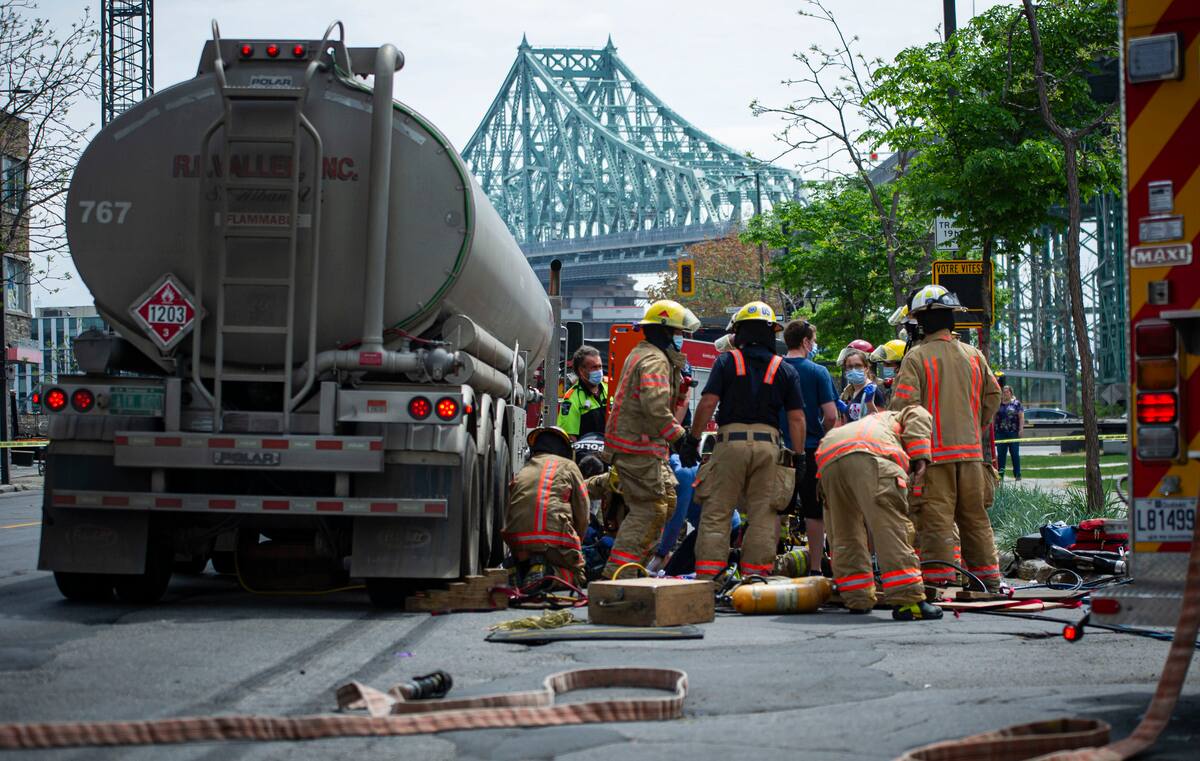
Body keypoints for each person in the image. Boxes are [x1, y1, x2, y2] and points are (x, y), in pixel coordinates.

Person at [889, 284, 1003, 591]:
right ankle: (988, 579)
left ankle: (939, 581)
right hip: (971, 457)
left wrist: (911, 451)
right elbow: (993, 396)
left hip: (933, 459)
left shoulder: (916, 358)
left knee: (936, 519)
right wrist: (972, 426)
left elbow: (903, 408)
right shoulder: (974, 356)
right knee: (975, 519)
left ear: (922, 322)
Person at [685, 301, 806, 580]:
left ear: (738, 331)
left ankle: (710, 579)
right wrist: (799, 457)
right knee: (763, 514)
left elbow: (707, 403)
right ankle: (755, 578)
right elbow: (797, 418)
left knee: (718, 511)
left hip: (730, 444)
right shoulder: (784, 368)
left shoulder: (727, 361)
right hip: (768, 447)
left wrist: (692, 440)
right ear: (770, 333)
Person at [601, 299, 700, 577]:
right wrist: (681, 438)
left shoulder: (645, 353)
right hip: (639, 448)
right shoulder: (656, 360)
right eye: (678, 333)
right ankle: (617, 574)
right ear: (665, 332)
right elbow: (655, 408)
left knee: (666, 502)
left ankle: (633, 569)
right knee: (650, 510)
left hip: (640, 447)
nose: (681, 339)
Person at [816, 405, 942, 620]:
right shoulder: (903, 413)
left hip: (829, 457)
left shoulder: (868, 423)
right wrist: (920, 457)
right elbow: (918, 415)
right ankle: (908, 602)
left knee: (844, 532)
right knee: (890, 530)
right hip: (871, 457)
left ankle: (857, 598)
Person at [779, 319, 838, 575]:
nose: (813, 346)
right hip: (812, 449)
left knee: (777, 510)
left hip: (779, 450)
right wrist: (823, 435)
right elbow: (832, 415)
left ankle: (770, 566)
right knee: (815, 512)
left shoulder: (774, 368)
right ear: (805, 342)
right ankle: (815, 569)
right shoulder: (818, 372)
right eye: (812, 341)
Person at [503, 427, 591, 589]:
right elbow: (583, 513)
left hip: (518, 545)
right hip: (552, 543)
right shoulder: (569, 466)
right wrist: (575, 544)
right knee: (578, 577)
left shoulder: (525, 470)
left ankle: (518, 568)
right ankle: (547, 572)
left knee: (528, 560)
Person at [557, 345, 608, 439]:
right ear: (581, 371)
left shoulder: (610, 387)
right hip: (589, 451)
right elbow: (570, 436)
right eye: (594, 367)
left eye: (600, 367)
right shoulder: (571, 399)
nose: (599, 371)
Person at [837, 345, 881, 422]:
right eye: (850, 367)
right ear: (846, 370)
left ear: (866, 368)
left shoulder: (872, 390)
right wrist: (846, 410)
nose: (854, 370)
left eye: (858, 366)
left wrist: (870, 404)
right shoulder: (851, 390)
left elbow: (882, 423)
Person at [995, 386, 1025, 481]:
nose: (1005, 393)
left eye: (1007, 392)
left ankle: (1017, 475)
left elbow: (1021, 417)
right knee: (1001, 455)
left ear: (1011, 393)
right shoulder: (998, 404)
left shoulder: (1016, 404)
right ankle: (1000, 476)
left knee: (1015, 454)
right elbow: (993, 417)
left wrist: (1021, 429)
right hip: (1000, 433)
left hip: (1013, 432)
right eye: (1003, 392)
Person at [870, 339, 906, 408]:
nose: (884, 367)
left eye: (888, 364)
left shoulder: (907, 388)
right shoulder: (888, 386)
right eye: (883, 364)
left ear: (901, 364)